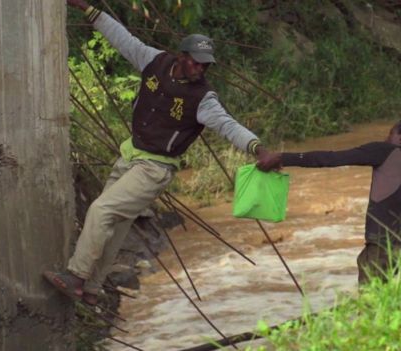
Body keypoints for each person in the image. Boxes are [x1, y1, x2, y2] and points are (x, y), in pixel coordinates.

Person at [44, 0, 273, 305]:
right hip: (130, 154)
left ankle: (76, 276)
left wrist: (256, 147)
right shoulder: (155, 62)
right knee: (115, 224)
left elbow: (228, 126)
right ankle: (92, 288)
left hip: (154, 169)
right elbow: (123, 39)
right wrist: (87, 9)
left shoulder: (203, 98)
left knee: (101, 210)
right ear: (182, 56)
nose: (200, 68)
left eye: (205, 65)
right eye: (196, 62)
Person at [257, 121, 401, 285]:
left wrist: (283, 158)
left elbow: (330, 158)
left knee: (371, 302)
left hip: (382, 247)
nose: (385, 139)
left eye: (390, 134)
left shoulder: (384, 151)